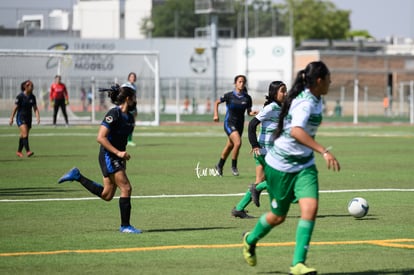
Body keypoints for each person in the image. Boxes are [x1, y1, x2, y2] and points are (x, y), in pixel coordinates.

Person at [242, 61, 340, 275]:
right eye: (329, 78)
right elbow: (296, 131)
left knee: (310, 208)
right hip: (281, 166)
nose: (331, 82)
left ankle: (298, 264)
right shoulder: (305, 102)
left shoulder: (315, 99)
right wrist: (323, 151)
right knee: (278, 216)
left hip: (304, 166)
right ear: (320, 81)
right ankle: (249, 240)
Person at [57, 83, 142, 234]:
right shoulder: (113, 114)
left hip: (116, 156)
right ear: (128, 98)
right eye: (134, 98)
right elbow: (100, 138)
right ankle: (125, 226)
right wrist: (118, 153)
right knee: (126, 188)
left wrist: (122, 157)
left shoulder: (129, 118)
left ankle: (77, 176)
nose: (136, 100)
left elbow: (121, 140)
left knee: (107, 195)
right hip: (108, 155)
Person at [231, 81, 287, 218]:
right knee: (278, 181)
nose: (285, 93)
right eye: (282, 91)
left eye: (286, 91)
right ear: (274, 93)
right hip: (265, 152)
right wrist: (254, 145)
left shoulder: (280, 107)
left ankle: (239, 209)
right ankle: (258, 190)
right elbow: (252, 125)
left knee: (259, 181)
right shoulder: (272, 107)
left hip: (265, 151)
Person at [213, 75, 258, 176]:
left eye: (243, 82)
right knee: (238, 143)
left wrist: (253, 113)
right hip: (229, 123)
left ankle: (219, 165)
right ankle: (234, 166)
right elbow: (216, 102)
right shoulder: (229, 96)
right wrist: (216, 115)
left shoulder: (247, 98)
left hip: (239, 125)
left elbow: (248, 112)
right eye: (239, 82)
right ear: (235, 83)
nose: (241, 84)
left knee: (230, 145)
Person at [9, 80, 40, 158]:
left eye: (32, 86)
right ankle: (28, 151)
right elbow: (15, 108)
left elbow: (35, 108)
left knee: (23, 135)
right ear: (25, 87)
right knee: (25, 134)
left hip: (28, 118)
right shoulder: (20, 97)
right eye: (31, 86)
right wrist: (11, 118)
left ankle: (19, 151)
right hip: (20, 117)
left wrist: (38, 117)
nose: (32, 87)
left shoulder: (32, 97)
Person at [126, 72, 137, 147]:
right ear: (129, 78)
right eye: (131, 77)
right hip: (127, 107)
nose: (133, 78)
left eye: (134, 77)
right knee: (126, 123)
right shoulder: (126, 86)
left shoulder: (134, 86)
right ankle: (125, 140)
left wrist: (135, 108)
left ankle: (129, 140)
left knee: (132, 124)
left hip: (133, 107)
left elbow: (134, 98)